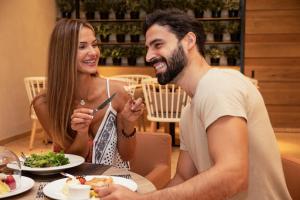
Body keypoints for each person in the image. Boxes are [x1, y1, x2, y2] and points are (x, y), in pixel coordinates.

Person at [96, 9, 291, 199]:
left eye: (158, 44)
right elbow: (182, 177)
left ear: (189, 41)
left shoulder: (218, 85)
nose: (149, 57)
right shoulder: (189, 110)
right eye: (148, 48)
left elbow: (233, 176)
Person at [33, 19, 144, 169]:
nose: (93, 52)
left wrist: (128, 123)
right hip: (69, 185)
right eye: (82, 46)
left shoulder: (117, 93)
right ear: (63, 53)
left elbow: (127, 155)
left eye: (95, 44)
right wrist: (82, 133)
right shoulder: (44, 103)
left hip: (116, 183)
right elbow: (71, 162)